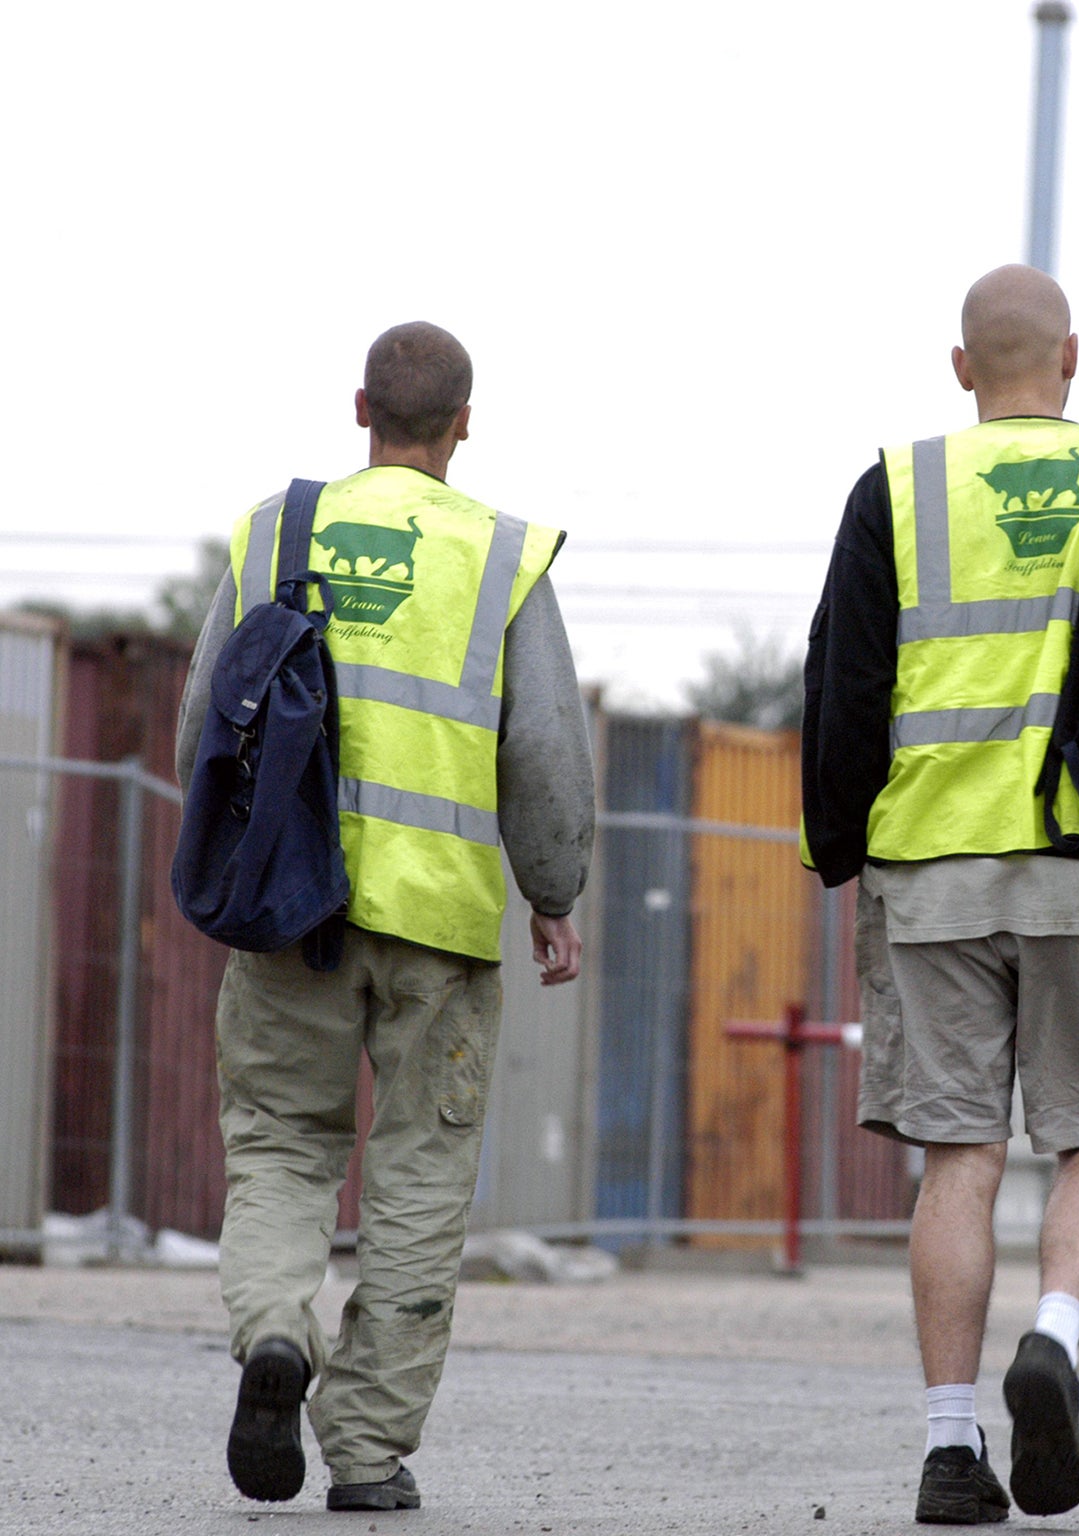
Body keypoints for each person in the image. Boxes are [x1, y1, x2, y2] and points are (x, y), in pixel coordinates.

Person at [800, 265, 1079, 1524]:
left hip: (933, 866)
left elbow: (841, 685)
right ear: (1071, 357)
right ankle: (1052, 1336)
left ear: (961, 370)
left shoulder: (895, 488)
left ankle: (951, 1453)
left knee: (958, 1154)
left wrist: (838, 845)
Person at [174, 322, 596, 1513]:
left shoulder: (272, 533)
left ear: (360, 406)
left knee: (278, 1143)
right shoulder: (503, 557)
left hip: (286, 904)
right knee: (416, 1180)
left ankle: (273, 1335)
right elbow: (549, 757)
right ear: (465, 422)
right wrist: (553, 895)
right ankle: (363, 1450)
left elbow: (207, 713)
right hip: (442, 930)